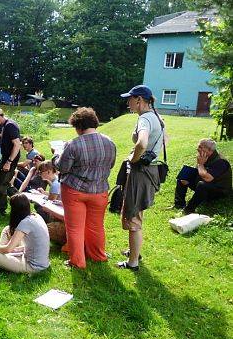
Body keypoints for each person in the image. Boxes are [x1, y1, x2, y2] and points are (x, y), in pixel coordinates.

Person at [54, 107, 116, 269]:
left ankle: (77, 262)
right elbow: (111, 164)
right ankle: (97, 256)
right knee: (96, 226)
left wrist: (55, 155)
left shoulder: (73, 144)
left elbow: (62, 167)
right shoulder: (110, 142)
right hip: (100, 190)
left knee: (75, 227)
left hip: (74, 191)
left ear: (79, 126)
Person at [118, 85, 164, 271]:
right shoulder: (157, 117)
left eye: (130, 98)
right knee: (137, 213)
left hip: (141, 172)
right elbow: (165, 139)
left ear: (139, 100)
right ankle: (134, 251)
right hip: (152, 171)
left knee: (133, 217)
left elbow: (142, 142)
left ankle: (133, 262)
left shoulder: (145, 119)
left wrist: (134, 158)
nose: (128, 102)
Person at [0, 193, 50, 273]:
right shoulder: (36, 216)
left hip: (32, 266)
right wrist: (16, 250)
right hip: (33, 256)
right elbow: (34, 244)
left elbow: (8, 249)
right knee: (7, 230)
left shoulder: (25, 223)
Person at [173, 139, 232, 213]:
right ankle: (179, 204)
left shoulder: (221, 161)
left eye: (200, 147)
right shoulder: (205, 157)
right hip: (207, 185)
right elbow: (199, 172)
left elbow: (208, 179)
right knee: (184, 175)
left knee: (202, 185)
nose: (197, 149)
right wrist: (188, 178)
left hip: (220, 191)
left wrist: (200, 164)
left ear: (209, 150)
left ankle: (189, 209)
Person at [0, 108, 21, 215]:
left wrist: (9, 162)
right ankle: (21, 203)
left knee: (1, 185)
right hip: (6, 158)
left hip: (9, 160)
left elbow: (17, 144)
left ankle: (2, 211)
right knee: (3, 183)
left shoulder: (10, 125)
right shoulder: (7, 124)